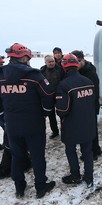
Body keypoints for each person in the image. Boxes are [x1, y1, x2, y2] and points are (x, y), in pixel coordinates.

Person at [0, 43, 56, 198]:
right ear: (24, 57)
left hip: (12, 125)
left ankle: (19, 187)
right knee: (37, 156)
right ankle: (40, 186)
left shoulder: (2, 74)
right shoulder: (34, 75)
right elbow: (48, 95)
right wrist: (45, 112)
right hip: (33, 124)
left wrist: (3, 116)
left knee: (17, 156)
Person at [55, 53, 95, 188]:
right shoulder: (89, 82)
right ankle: (89, 177)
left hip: (72, 125)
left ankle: (76, 175)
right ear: (77, 66)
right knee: (87, 152)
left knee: (71, 150)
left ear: (64, 67)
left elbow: (62, 110)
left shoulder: (63, 85)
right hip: (88, 123)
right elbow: (93, 103)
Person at [0, 55, 31, 179]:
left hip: (10, 113)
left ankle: (23, 162)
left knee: (13, 140)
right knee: (11, 142)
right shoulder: (4, 76)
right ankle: (7, 168)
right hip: (7, 114)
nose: (2, 66)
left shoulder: (6, 75)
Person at [71, 50, 102, 160]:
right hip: (85, 106)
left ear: (83, 60)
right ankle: (96, 149)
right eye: (75, 61)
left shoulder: (90, 73)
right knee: (89, 129)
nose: (77, 64)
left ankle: (93, 152)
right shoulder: (78, 72)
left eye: (78, 61)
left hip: (90, 106)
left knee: (91, 129)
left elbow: (95, 92)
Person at [40, 55, 65, 139]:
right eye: (49, 62)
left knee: (62, 113)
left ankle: (64, 130)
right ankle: (55, 131)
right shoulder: (42, 71)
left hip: (59, 95)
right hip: (48, 96)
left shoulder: (60, 69)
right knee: (51, 115)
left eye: (52, 61)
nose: (51, 63)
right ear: (45, 62)